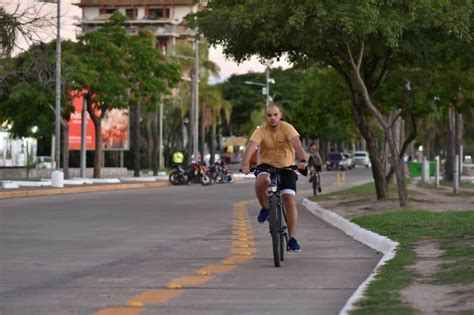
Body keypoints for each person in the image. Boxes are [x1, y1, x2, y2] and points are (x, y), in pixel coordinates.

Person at [240, 103, 307, 252]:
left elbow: (297, 145)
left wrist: (302, 160)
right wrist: (245, 164)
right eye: (269, 115)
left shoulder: (287, 128)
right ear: (266, 117)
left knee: (289, 199)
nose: (272, 118)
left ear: (280, 115)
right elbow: (251, 146)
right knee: (261, 180)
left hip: (286, 167)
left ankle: (292, 238)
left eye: (275, 115)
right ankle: (265, 207)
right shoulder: (261, 131)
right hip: (266, 165)